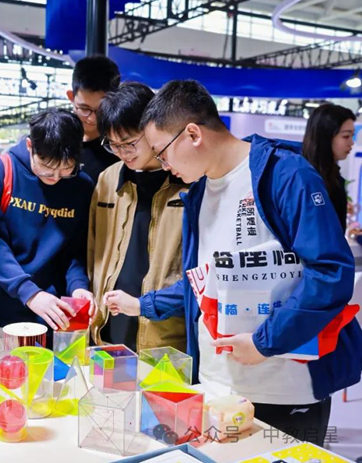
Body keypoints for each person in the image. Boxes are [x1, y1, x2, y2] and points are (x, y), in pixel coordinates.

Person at [107, 80, 362, 445]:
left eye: (162, 153)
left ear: (192, 134)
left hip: (284, 391)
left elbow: (330, 272)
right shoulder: (198, 193)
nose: (164, 165)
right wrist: (143, 305)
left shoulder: (285, 175)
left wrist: (264, 342)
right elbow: (203, 281)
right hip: (215, 386)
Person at [0, 109, 96, 361]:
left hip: (48, 308)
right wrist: (30, 293)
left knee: (41, 381)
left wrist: (78, 287)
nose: (55, 178)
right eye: (47, 169)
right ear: (30, 146)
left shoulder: (81, 186)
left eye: (66, 169)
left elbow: (74, 250)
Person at [89, 82, 188, 353]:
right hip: (108, 328)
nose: (123, 153)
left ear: (153, 128)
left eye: (130, 143)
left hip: (166, 336)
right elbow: (93, 248)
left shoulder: (188, 180)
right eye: (113, 145)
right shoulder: (108, 179)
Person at [66, 55, 122, 184]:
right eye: (84, 108)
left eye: (101, 110)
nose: (92, 118)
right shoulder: (58, 139)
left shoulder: (120, 149)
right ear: (71, 97)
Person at [302, 103, 356, 231]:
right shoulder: (305, 179)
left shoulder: (334, 178)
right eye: (346, 136)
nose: (351, 143)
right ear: (326, 136)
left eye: (352, 136)